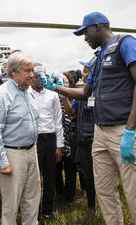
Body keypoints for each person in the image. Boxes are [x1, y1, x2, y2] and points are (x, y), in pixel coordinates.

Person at [38, 12, 136, 224]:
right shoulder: (98, 58)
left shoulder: (126, 43)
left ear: (98, 27)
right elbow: (85, 93)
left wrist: (130, 130)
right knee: (104, 191)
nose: (84, 38)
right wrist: (55, 87)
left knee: (135, 194)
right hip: (100, 131)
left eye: (85, 33)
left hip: (124, 129)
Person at [0, 51, 40, 225]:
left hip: (31, 151)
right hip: (12, 154)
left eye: (32, 70)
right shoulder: (2, 94)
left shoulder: (29, 91)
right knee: (11, 204)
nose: (32, 75)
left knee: (32, 198)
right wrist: (3, 162)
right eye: (27, 71)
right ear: (14, 72)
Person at [60, 59, 96, 222]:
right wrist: (63, 96)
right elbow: (71, 112)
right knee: (87, 175)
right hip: (83, 140)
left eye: (87, 71)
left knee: (101, 177)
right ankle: (91, 207)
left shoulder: (101, 91)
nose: (84, 74)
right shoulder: (82, 91)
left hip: (97, 140)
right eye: (83, 71)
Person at [31, 64, 64, 221]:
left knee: (50, 177)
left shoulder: (52, 94)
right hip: (34, 140)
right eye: (35, 76)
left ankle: (47, 210)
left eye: (40, 76)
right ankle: (34, 212)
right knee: (33, 179)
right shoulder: (26, 94)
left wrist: (59, 145)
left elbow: (58, 120)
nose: (38, 79)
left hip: (50, 139)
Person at [55, 72, 78, 206]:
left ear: (70, 84)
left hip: (70, 139)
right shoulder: (52, 98)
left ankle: (69, 197)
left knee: (70, 169)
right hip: (56, 139)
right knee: (56, 169)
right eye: (59, 83)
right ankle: (58, 194)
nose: (62, 85)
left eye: (65, 82)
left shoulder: (74, 98)